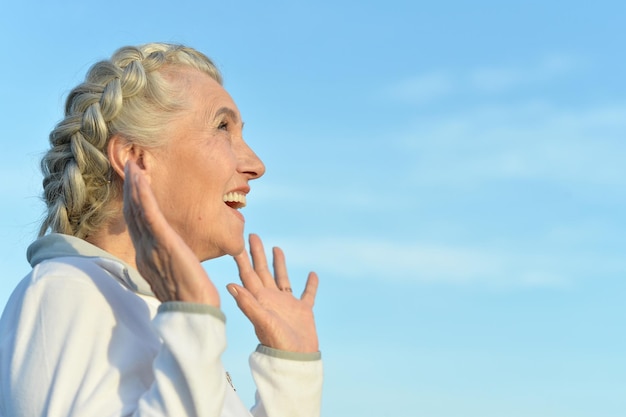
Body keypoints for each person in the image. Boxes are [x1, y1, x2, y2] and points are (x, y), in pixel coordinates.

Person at [0, 43, 322, 417]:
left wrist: (291, 374)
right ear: (136, 159)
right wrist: (193, 319)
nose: (256, 164)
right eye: (222, 127)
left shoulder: (145, 309)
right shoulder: (64, 291)